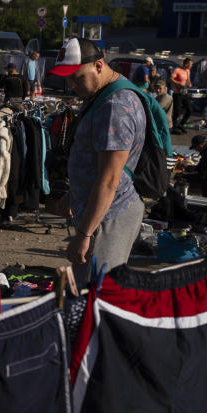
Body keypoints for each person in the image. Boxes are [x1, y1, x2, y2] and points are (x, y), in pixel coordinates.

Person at [47, 37, 146, 284]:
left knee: (97, 294)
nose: (71, 85)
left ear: (99, 66)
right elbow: (95, 161)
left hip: (109, 217)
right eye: (67, 79)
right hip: (99, 213)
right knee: (87, 294)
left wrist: (84, 233)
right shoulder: (102, 95)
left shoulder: (115, 106)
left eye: (77, 77)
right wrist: (74, 194)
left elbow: (110, 179)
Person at [169, 57, 193, 134]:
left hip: (184, 93)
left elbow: (188, 79)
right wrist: (178, 83)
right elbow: (170, 79)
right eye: (190, 64)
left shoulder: (188, 71)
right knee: (177, 112)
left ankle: (181, 124)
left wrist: (189, 83)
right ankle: (174, 128)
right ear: (186, 64)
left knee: (189, 110)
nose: (191, 66)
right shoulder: (177, 70)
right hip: (177, 93)